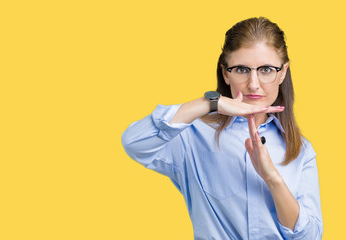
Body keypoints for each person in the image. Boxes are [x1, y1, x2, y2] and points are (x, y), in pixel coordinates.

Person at [121, 17, 323, 239]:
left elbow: (310, 236)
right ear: (225, 73)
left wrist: (272, 178)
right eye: (241, 69)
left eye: (266, 69)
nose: (253, 83)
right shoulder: (192, 135)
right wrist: (209, 103)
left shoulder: (300, 149)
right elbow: (134, 142)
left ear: (283, 72)